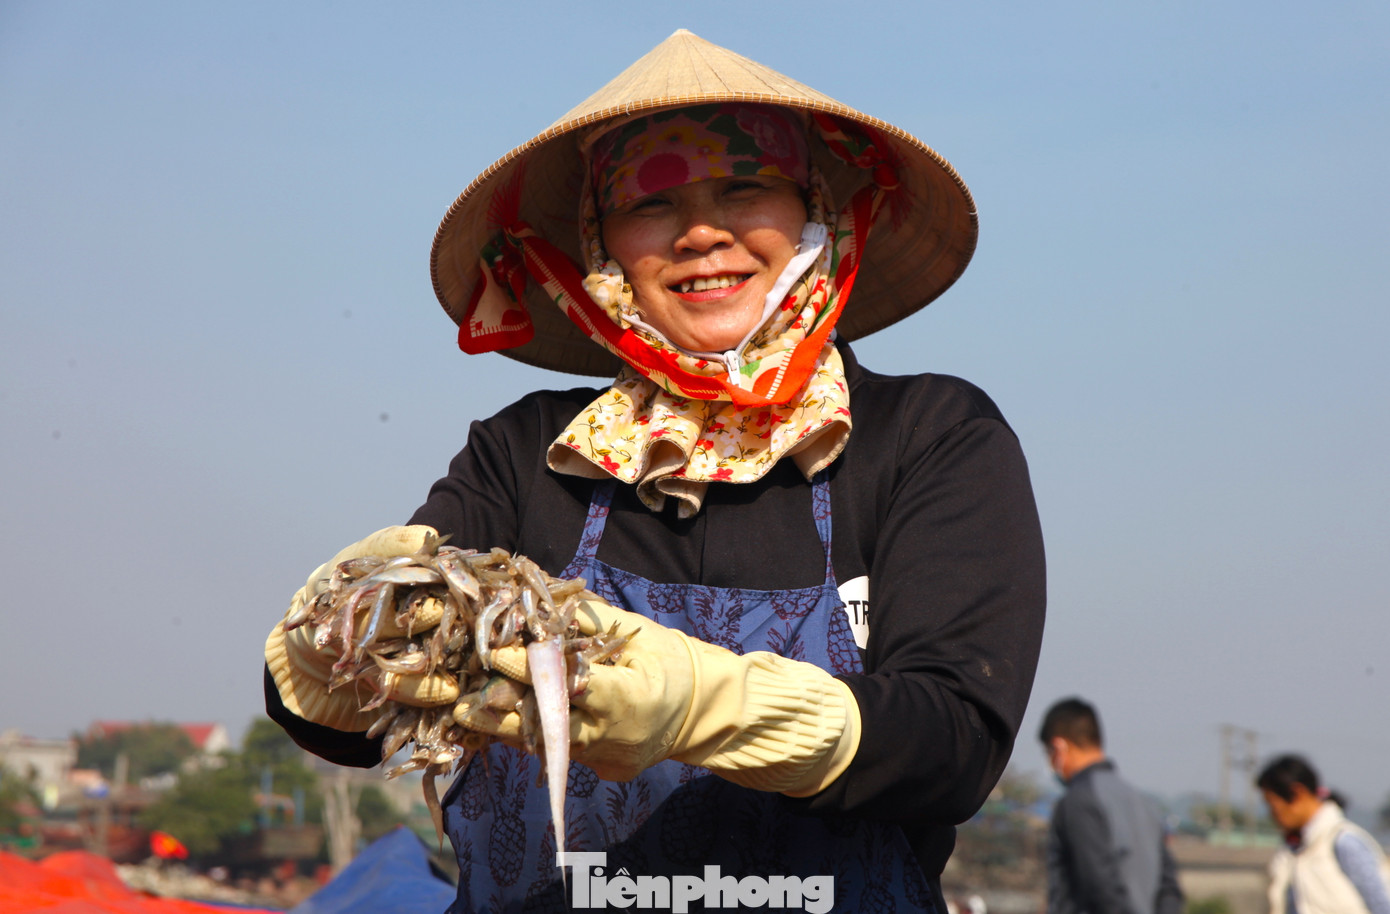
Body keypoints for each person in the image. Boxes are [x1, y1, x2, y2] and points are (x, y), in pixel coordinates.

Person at [264, 29, 1046, 912]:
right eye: (651, 204)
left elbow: (952, 748)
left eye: (745, 187)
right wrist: (338, 636)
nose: (703, 232)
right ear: (601, 244)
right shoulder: (527, 455)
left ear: (814, 211)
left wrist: (690, 705)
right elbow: (345, 722)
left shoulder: (929, 436)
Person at [1039, 697, 1183, 914]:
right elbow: (1169, 888)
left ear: (1059, 747)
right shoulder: (1145, 804)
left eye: (1049, 754)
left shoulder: (1078, 802)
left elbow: (1100, 887)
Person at [1258, 754, 1390, 914]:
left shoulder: (1344, 842)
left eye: (1273, 805)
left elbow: (1381, 905)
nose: (1272, 814)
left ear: (1297, 793)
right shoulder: (1291, 850)